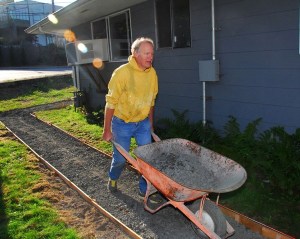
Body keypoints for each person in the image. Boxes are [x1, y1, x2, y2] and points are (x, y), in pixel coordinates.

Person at [102, 37, 162, 203]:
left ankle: (144, 190)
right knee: (121, 159)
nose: (150, 57)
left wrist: (150, 124)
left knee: (146, 159)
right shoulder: (122, 73)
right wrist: (107, 129)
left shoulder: (152, 74)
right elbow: (110, 102)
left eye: (152, 53)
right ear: (135, 54)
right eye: (146, 53)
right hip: (122, 124)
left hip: (142, 123)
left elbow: (151, 101)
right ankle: (113, 177)